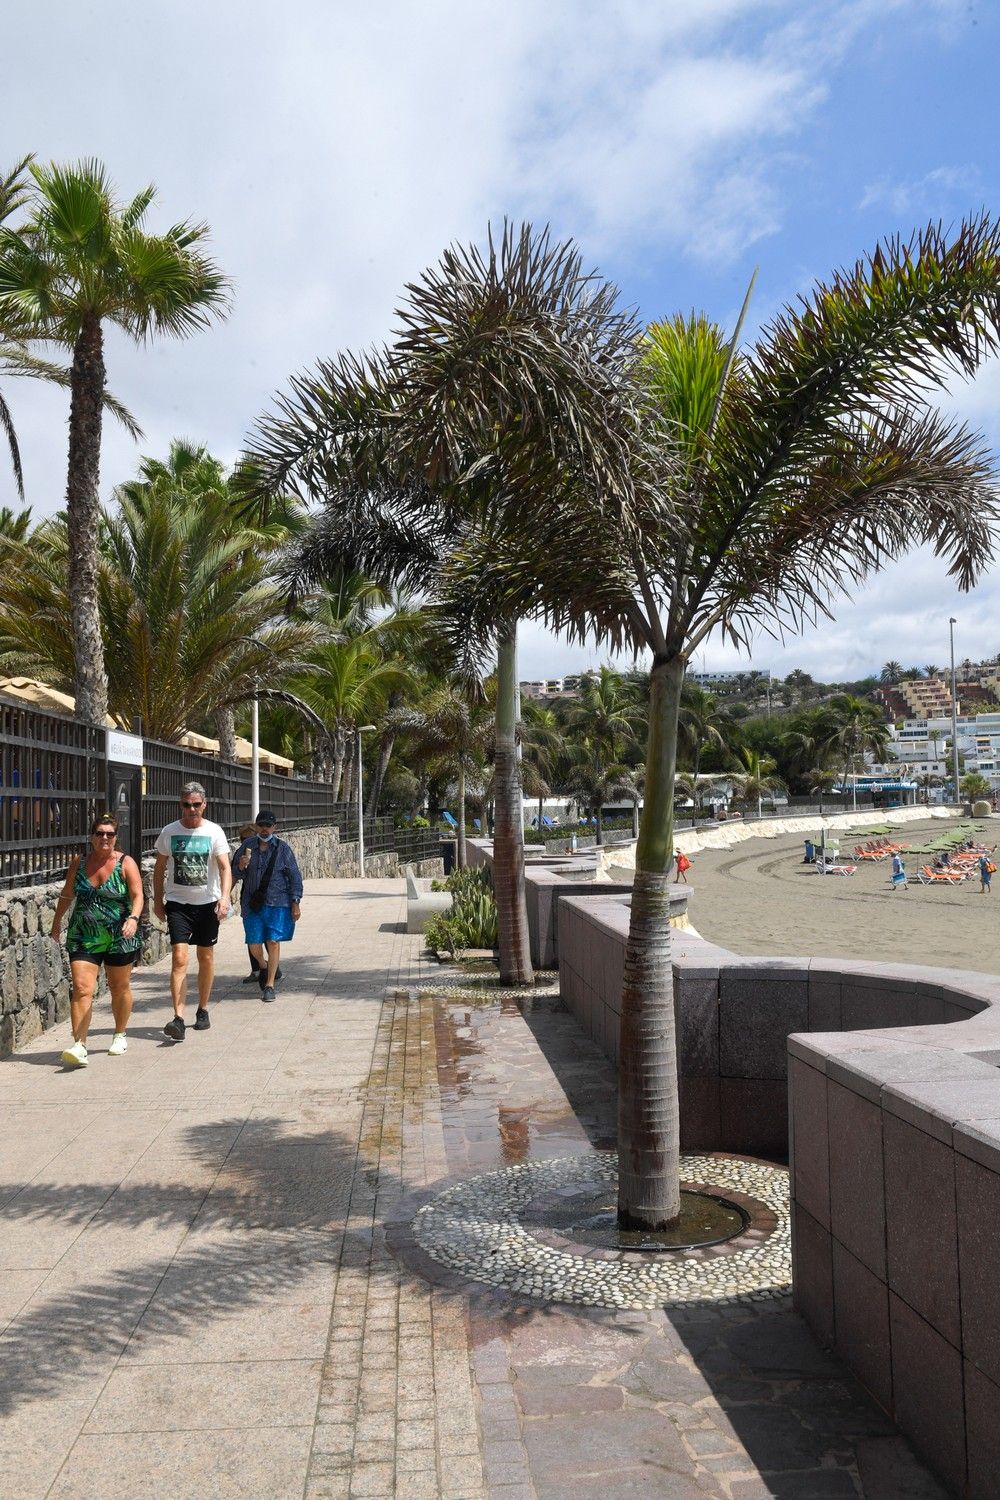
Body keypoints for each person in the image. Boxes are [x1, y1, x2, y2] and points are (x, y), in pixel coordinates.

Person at [51, 813, 143, 1067]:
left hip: (119, 935)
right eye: (100, 833)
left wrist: (133, 919)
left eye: (109, 834)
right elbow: (68, 894)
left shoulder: (126, 863)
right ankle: (79, 1044)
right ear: (92, 837)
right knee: (82, 988)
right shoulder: (78, 863)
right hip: (83, 935)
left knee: (119, 986)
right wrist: (57, 921)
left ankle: (120, 1033)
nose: (104, 838)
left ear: (115, 838)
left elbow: (138, 896)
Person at [153, 782, 231, 1040]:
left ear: (204, 805)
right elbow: (159, 868)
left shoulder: (214, 832)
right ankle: (178, 1018)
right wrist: (157, 900)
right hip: (178, 904)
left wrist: (225, 897)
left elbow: (224, 868)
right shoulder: (169, 832)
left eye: (196, 804)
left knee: (205, 957)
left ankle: (203, 1009)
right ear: (181, 805)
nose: (192, 809)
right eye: (187, 805)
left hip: (207, 904)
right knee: (179, 957)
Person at [231, 808, 302, 1002]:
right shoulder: (247, 846)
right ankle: (264, 965)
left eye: (268, 826)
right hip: (252, 904)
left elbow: (294, 876)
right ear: (255, 827)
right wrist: (240, 866)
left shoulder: (283, 849)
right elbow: (234, 874)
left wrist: (295, 902)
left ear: (274, 828)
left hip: (278, 902)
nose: (264, 829)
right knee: (254, 944)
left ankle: (269, 985)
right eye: (261, 825)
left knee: (272, 941)